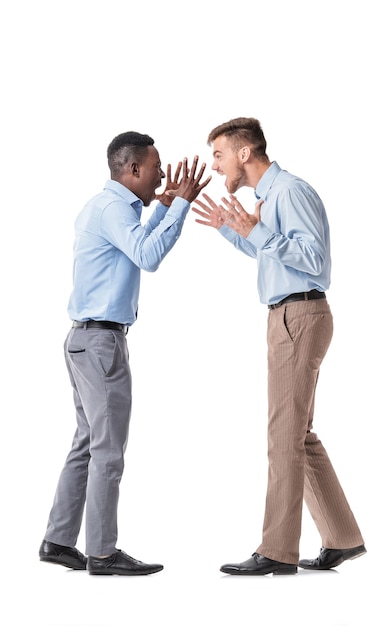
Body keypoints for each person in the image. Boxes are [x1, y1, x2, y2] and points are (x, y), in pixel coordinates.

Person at [192, 117, 366, 575]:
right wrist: (234, 230)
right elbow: (272, 250)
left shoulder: (289, 191)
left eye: (218, 154)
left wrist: (257, 231)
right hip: (289, 315)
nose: (215, 165)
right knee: (298, 435)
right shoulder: (269, 198)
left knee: (282, 438)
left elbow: (313, 259)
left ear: (244, 153)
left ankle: (277, 551)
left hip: (298, 314)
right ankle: (343, 538)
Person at [39, 131, 210, 576]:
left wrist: (168, 205)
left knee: (87, 445)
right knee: (108, 452)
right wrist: (182, 205)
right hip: (99, 344)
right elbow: (147, 256)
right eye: (155, 166)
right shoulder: (114, 208)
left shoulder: (111, 207)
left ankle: (58, 541)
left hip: (86, 339)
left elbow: (134, 248)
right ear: (133, 169)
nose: (161, 173)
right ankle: (101, 552)